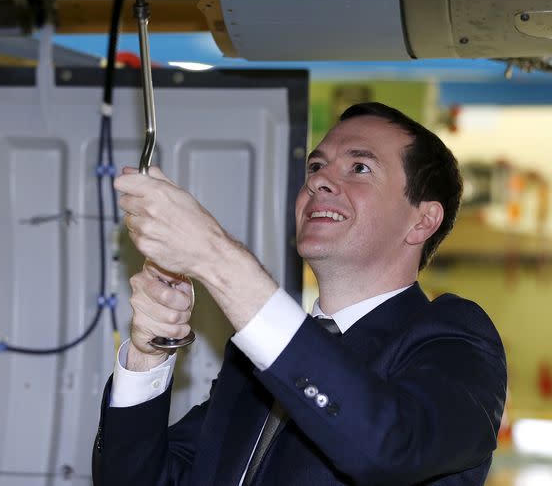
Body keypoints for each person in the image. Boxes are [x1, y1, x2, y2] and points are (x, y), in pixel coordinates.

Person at [93, 102, 507, 485]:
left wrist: (214, 256)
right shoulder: (256, 358)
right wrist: (148, 355)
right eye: (315, 166)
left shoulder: (456, 338)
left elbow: (390, 446)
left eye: (359, 167)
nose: (320, 181)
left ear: (422, 221)